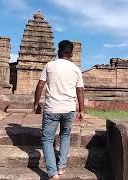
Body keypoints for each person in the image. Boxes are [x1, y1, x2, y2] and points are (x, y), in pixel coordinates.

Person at [34, 40, 85, 180]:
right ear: (71, 54)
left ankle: (52, 173)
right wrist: (81, 110)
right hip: (69, 109)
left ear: (58, 51)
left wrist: (36, 104)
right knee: (65, 136)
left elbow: (40, 86)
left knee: (47, 139)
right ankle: (61, 166)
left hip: (52, 108)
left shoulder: (50, 66)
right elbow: (80, 90)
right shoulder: (76, 69)